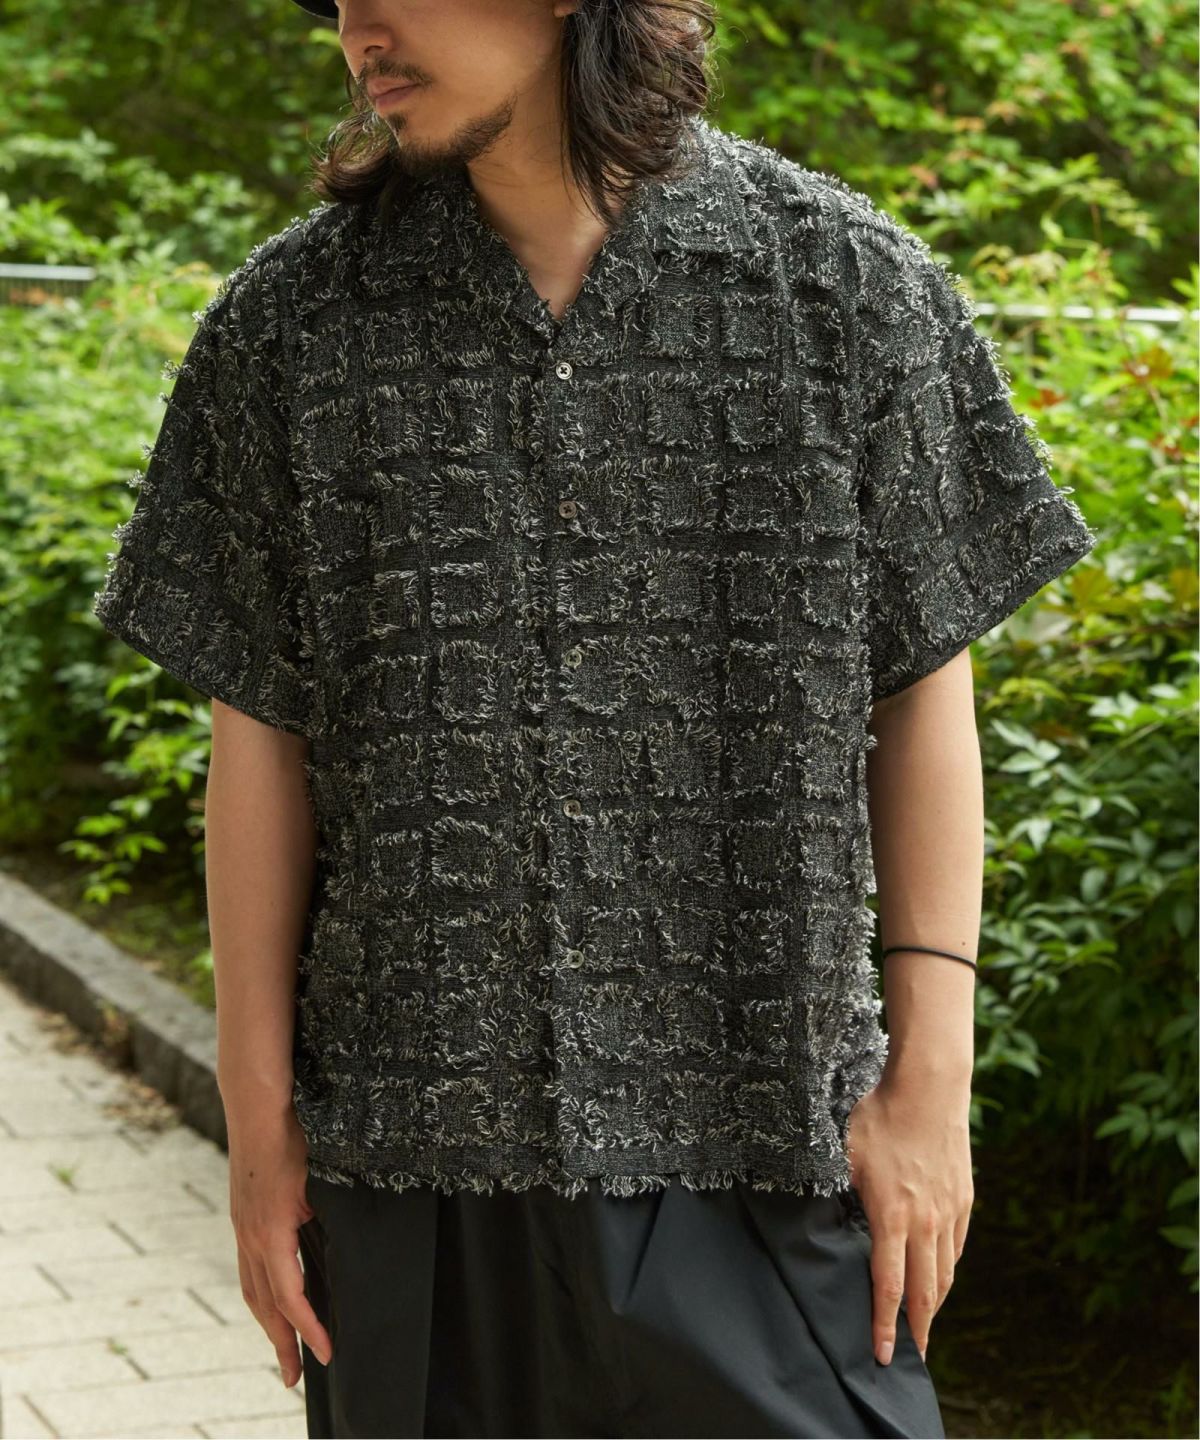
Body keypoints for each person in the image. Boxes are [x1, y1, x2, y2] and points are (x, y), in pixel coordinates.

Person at [91, 0, 1099, 1435]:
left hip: (766, 1144)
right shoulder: (289, 326)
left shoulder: (845, 286)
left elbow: (924, 682)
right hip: (409, 1163)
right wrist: (258, 1126)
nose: (358, 29)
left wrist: (931, 1090)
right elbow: (258, 738)